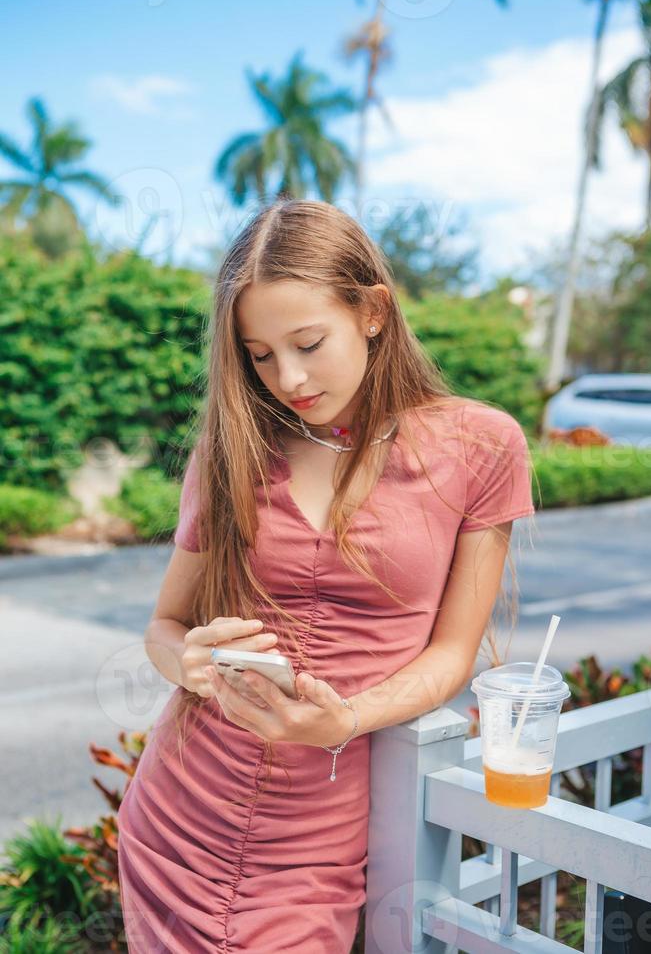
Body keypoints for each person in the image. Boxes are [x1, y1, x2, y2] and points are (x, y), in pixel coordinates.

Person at [116, 198, 536, 953]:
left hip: (315, 847)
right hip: (176, 817)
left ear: (373, 311)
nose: (289, 377)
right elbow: (163, 627)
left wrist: (344, 718)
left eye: (309, 342)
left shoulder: (480, 446)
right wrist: (192, 660)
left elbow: (451, 654)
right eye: (260, 354)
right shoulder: (233, 446)